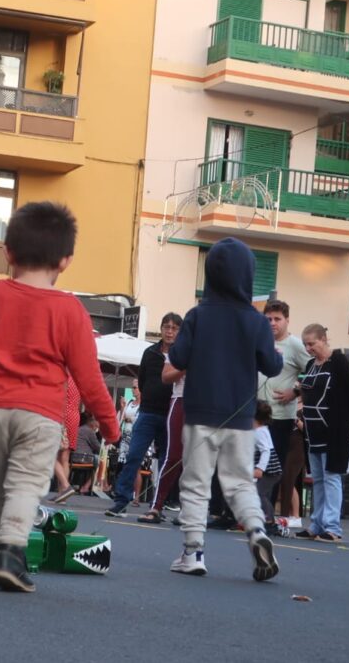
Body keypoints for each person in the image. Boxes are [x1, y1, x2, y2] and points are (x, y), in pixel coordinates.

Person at [0, 201, 119, 592]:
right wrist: (109, 424)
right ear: (65, 261)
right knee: (26, 484)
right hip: (40, 412)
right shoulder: (71, 310)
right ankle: (10, 551)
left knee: (1, 483)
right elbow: (89, 378)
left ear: (8, 252)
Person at [165, 236, 282, 581]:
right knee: (240, 483)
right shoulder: (257, 321)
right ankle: (257, 531)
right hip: (242, 418)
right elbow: (272, 366)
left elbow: (177, 358)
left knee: (196, 484)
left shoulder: (197, 315)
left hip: (201, 413)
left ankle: (193, 552)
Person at [106, 312, 181, 517]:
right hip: (148, 412)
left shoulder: (181, 354)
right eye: (166, 327)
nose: (169, 331)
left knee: (167, 461)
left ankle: (158, 505)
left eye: (174, 328)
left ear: (180, 332)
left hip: (170, 414)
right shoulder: (150, 352)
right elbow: (142, 379)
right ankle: (121, 501)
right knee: (133, 456)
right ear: (161, 329)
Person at [294, 324, 349, 543]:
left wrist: (348, 426)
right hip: (312, 431)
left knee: (331, 478)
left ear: (323, 339)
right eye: (305, 344)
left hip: (334, 431)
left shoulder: (339, 362)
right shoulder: (310, 365)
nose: (308, 348)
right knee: (318, 479)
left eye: (312, 344)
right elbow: (304, 390)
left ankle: (332, 528)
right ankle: (316, 525)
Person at [257, 300, 311, 511]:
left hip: (279, 417)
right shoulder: (259, 341)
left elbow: (314, 372)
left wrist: (296, 391)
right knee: (250, 465)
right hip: (254, 415)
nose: (272, 323)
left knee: (271, 468)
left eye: (277, 319)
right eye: (268, 319)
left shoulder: (296, 345)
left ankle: (267, 515)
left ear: (287, 320)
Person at [138, 353, 186, 524]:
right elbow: (166, 376)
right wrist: (187, 367)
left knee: (197, 459)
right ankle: (156, 506)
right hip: (181, 399)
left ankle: (189, 510)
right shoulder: (181, 347)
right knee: (174, 456)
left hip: (206, 404)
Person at [253, 401, 285, 536]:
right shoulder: (261, 429)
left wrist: (260, 468)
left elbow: (266, 450)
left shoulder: (259, 432)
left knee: (259, 494)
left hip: (270, 471)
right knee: (264, 494)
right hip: (271, 471)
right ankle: (267, 520)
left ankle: (269, 521)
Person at [48, 377, 81, 503]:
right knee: (65, 457)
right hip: (74, 415)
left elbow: (59, 399)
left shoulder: (63, 377)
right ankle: (62, 494)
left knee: (50, 453)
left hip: (63, 415)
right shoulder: (77, 379)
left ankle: (65, 486)